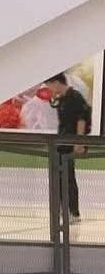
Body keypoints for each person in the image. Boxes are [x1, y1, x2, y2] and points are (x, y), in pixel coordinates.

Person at [44, 72, 91, 221]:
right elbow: (54, 104)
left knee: (68, 177)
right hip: (61, 141)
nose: (49, 89)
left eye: (50, 86)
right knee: (59, 177)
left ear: (57, 83)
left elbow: (82, 119)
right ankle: (62, 210)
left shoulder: (75, 97)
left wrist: (79, 141)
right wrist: (54, 96)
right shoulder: (61, 98)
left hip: (71, 141)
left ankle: (73, 212)